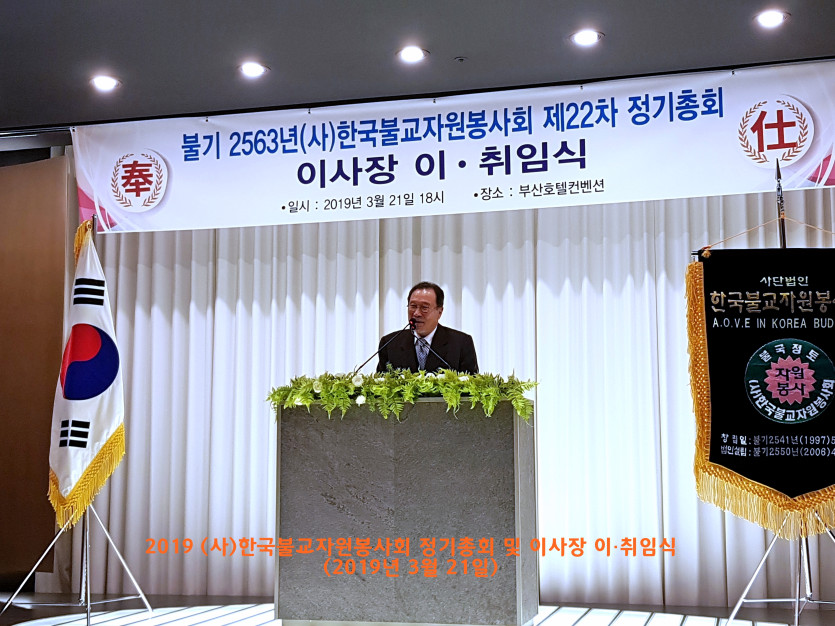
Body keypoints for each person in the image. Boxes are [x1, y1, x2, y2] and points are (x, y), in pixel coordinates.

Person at [376, 281, 478, 374]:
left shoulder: (461, 343)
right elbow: (380, 383)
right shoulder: (389, 344)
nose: (416, 313)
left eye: (424, 307)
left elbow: (471, 383)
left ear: (439, 312)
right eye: (413, 306)